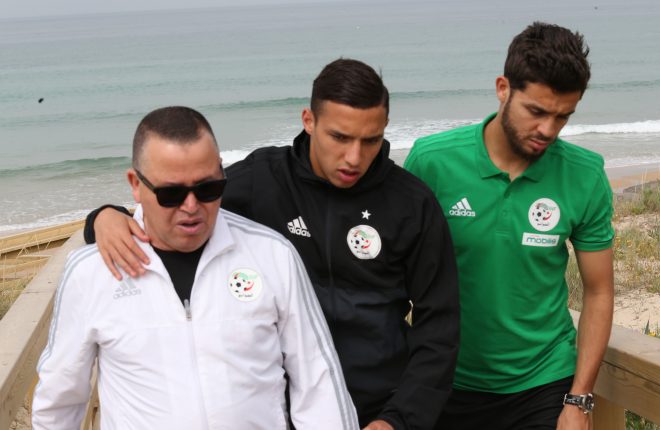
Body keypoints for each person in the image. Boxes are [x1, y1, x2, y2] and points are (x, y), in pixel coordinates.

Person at [83, 60, 460, 430]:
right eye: (340, 137)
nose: (354, 157)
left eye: (371, 140)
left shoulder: (412, 204)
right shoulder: (262, 179)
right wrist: (103, 217)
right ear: (308, 120)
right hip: (281, 411)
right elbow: (182, 202)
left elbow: (439, 326)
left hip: (380, 407)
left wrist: (399, 419)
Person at [33, 106, 358, 429]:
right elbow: (59, 400)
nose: (191, 207)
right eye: (171, 194)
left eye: (207, 189)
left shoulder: (273, 254)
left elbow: (319, 385)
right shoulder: (91, 272)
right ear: (135, 184)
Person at [404, 22, 614, 430]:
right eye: (536, 112)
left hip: (543, 381)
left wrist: (579, 399)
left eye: (563, 117)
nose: (548, 130)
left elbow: (599, 291)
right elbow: (394, 273)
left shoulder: (585, 175)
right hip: (445, 380)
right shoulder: (432, 162)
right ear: (503, 88)